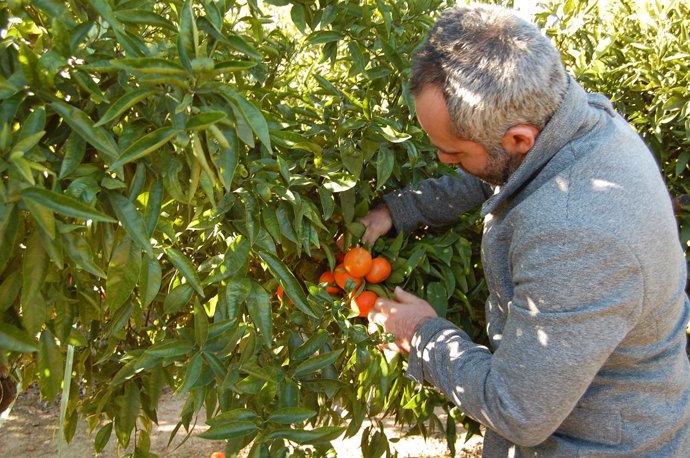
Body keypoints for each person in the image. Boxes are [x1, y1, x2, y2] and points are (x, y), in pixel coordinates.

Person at [360, 3, 690, 456]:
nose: (443, 160)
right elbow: (497, 168)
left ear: (519, 139)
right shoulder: (579, 120)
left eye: (454, 154)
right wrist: (398, 211)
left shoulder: (576, 237)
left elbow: (517, 409)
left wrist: (422, 334)